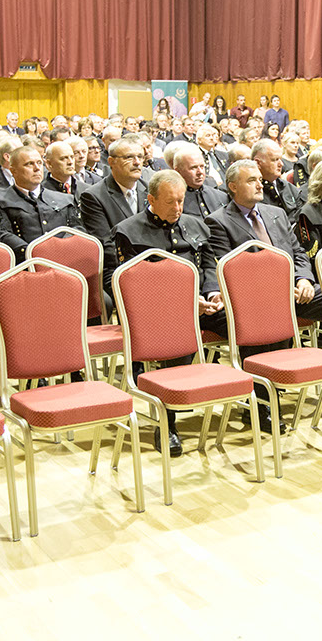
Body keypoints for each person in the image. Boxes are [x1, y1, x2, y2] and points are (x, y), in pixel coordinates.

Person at [114, 169, 224, 455]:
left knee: (243, 321)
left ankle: (259, 403)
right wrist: (183, 303)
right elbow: (131, 285)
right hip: (156, 312)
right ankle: (167, 423)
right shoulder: (128, 231)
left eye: (181, 201)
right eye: (170, 202)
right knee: (174, 330)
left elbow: (207, 264)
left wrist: (212, 292)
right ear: (151, 199)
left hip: (200, 303)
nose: (177, 208)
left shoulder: (196, 224)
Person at [80, 135, 151, 290]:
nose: (137, 162)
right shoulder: (94, 196)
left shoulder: (150, 190)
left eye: (140, 157)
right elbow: (106, 245)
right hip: (118, 269)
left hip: (152, 265)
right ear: (111, 162)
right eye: (129, 157)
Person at [0, 144, 76, 258]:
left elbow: (77, 229)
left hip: (65, 258)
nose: (37, 168)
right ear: (13, 171)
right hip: (24, 262)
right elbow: (1, 235)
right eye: (29, 164)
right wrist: (35, 254)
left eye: (39, 163)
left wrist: (63, 248)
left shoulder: (65, 199)